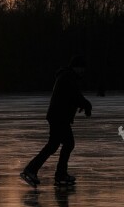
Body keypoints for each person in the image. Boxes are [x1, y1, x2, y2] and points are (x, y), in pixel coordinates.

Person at [21, 56, 92, 187]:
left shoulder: (68, 76)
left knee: (54, 145)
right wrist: (86, 104)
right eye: (81, 68)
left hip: (58, 116)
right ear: (74, 67)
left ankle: (33, 170)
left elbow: (72, 96)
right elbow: (75, 95)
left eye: (84, 69)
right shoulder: (67, 77)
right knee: (68, 143)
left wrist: (83, 104)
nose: (82, 71)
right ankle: (58, 174)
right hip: (59, 117)